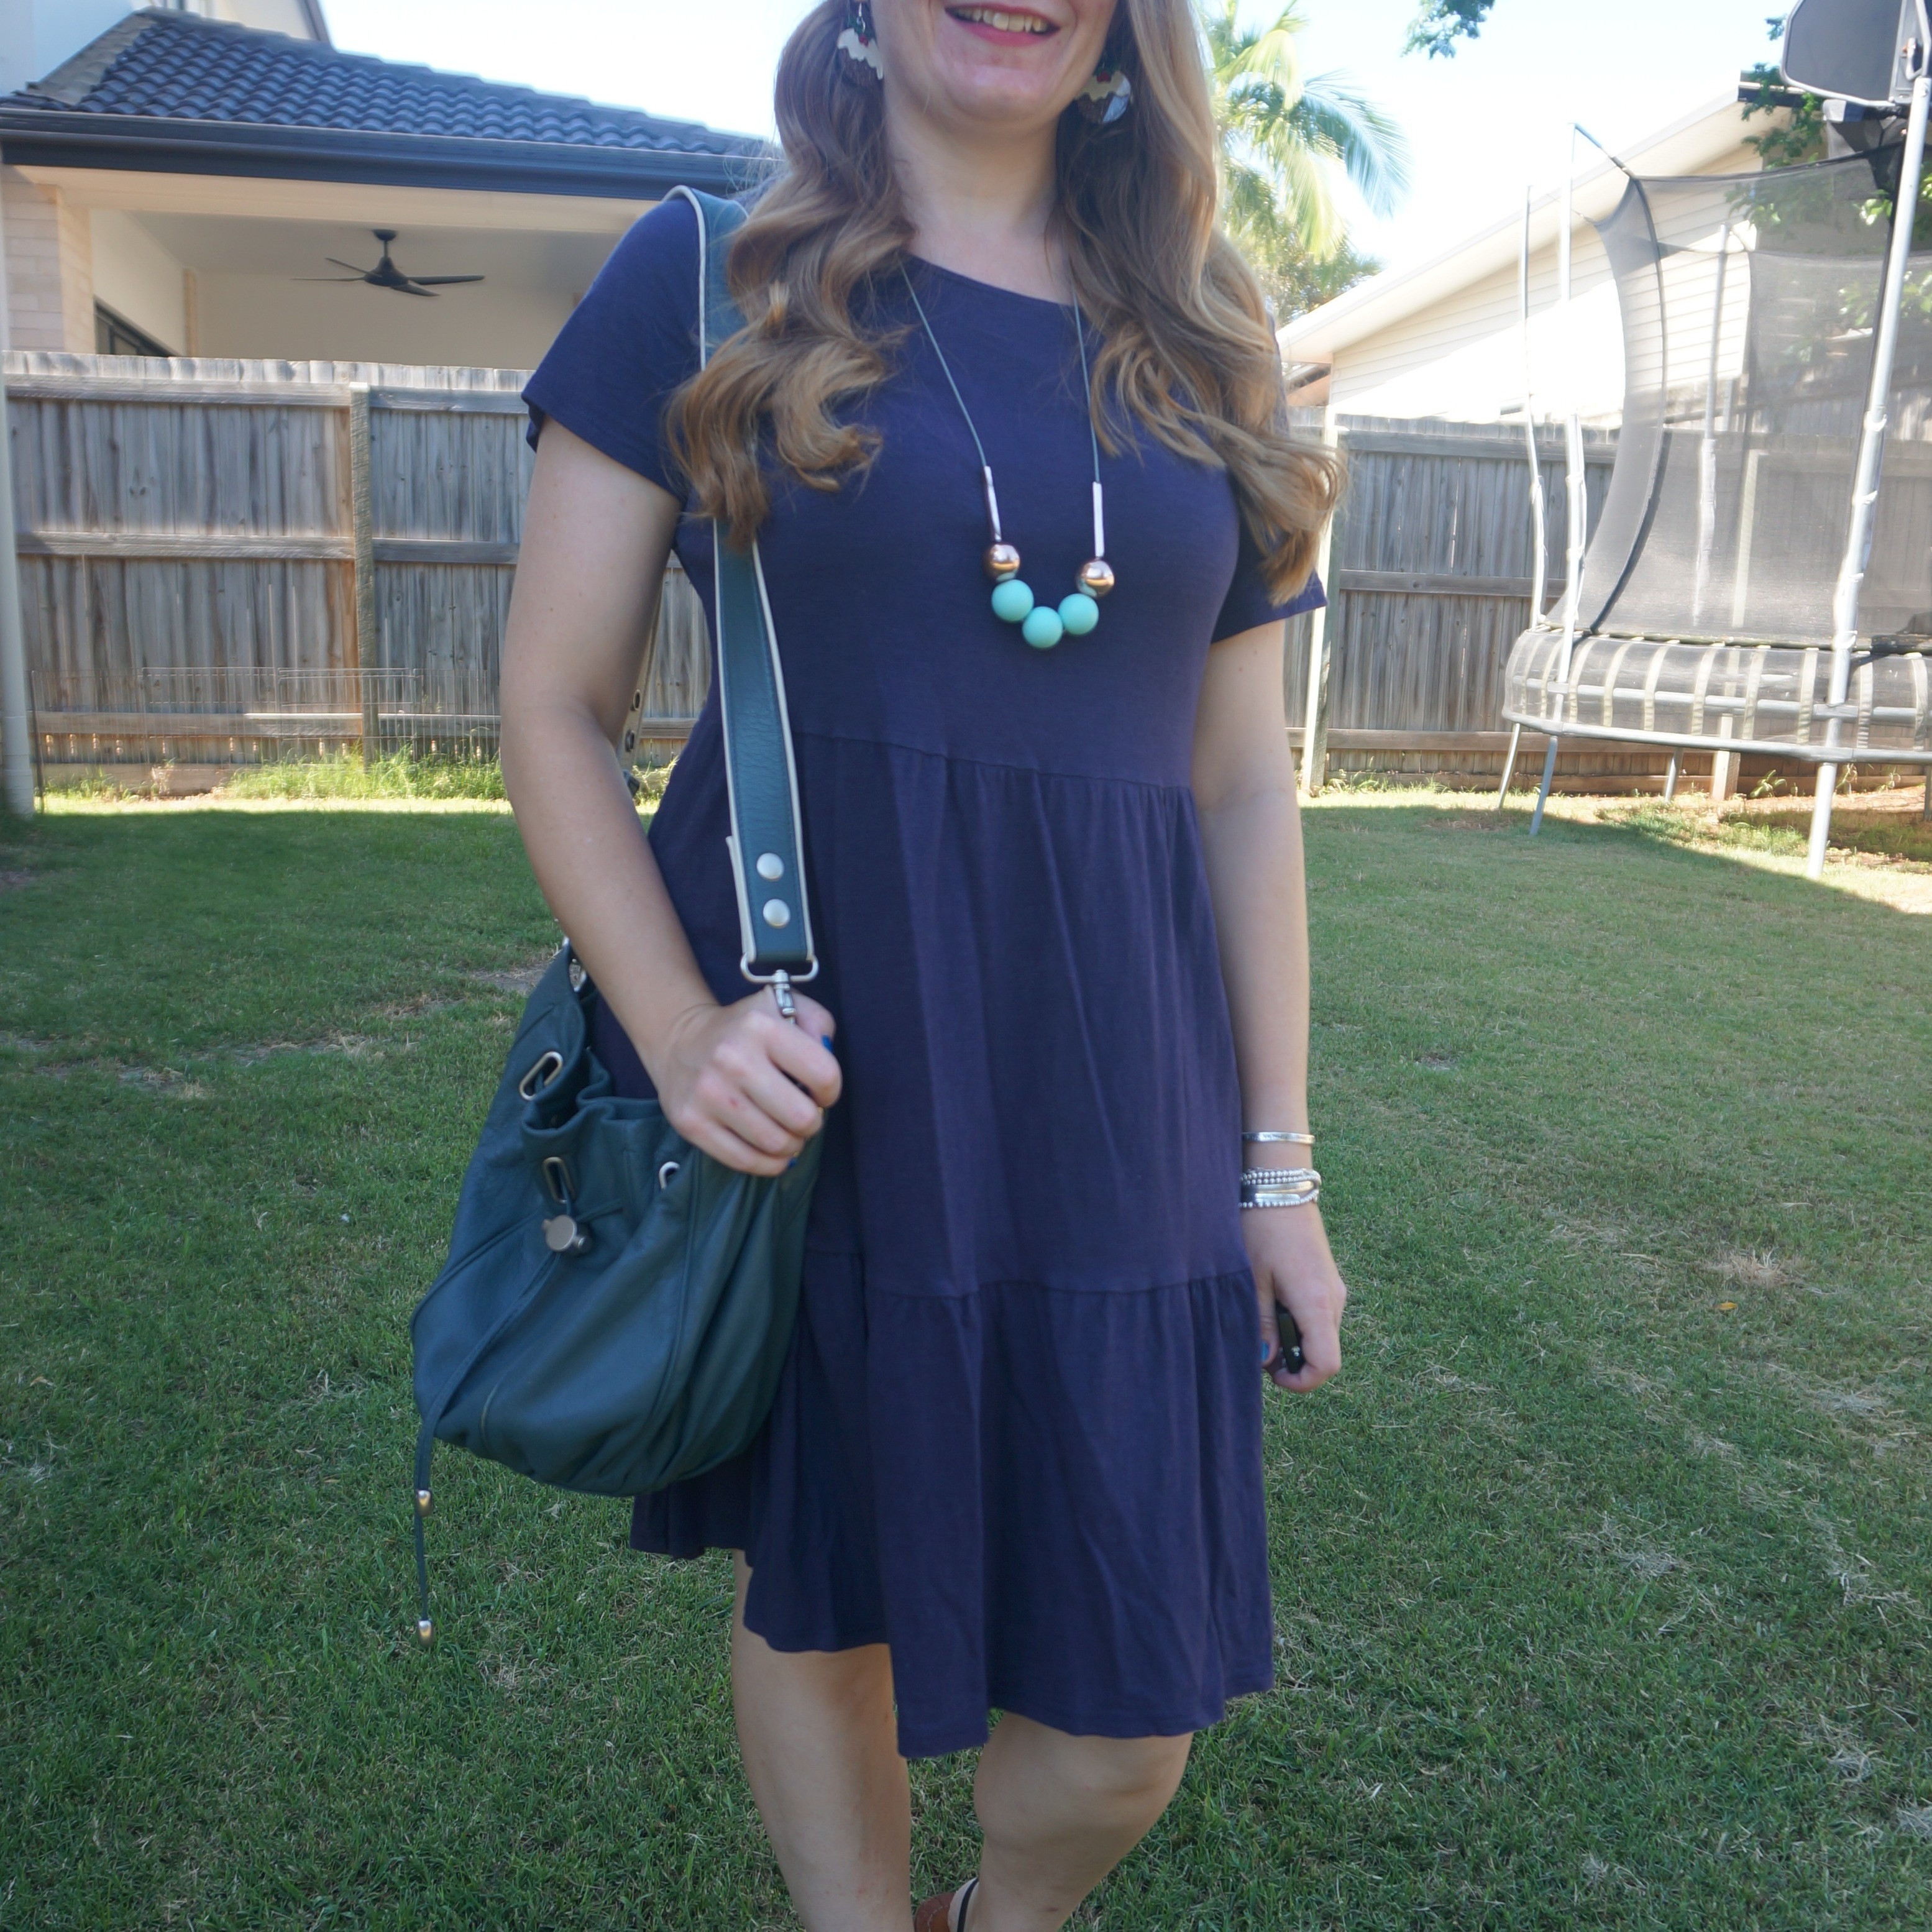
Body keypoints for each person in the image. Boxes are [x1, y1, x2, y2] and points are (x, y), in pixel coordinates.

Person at [501, 1, 1348, 1925]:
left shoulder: (1216, 334)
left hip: (1119, 1078)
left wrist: (1277, 1163)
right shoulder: (706, 272)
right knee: (829, 1585)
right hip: (824, 1068)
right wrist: (681, 1028)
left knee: (1126, 1719)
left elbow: (1241, 785)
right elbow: (556, 707)